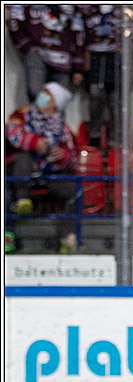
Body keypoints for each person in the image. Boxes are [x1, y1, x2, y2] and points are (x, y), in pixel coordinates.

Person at [5, 81, 79, 254]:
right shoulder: (22, 115)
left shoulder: (62, 128)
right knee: (19, 167)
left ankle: (67, 237)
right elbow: (13, 136)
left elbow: (73, 156)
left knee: (74, 188)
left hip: (46, 174)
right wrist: (34, 142)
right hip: (17, 174)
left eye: (48, 94)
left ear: (55, 103)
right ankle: (21, 206)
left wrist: (62, 156)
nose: (42, 96)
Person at [81, 5, 133, 148]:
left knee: (117, 101)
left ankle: (116, 144)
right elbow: (80, 33)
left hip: (119, 58)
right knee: (95, 95)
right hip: (96, 57)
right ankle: (95, 138)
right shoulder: (90, 9)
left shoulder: (128, 9)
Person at [6, 4, 87, 102]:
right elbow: (15, 23)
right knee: (37, 96)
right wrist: (26, 45)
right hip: (38, 55)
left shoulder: (75, 10)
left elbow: (79, 37)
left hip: (63, 61)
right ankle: (35, 116)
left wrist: (78, 68)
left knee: (58, 100)